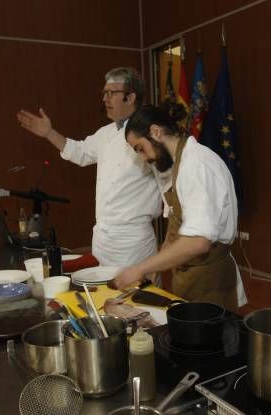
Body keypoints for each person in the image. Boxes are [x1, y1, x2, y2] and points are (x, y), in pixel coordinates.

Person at [16, 67, 162, 267]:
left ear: (130, 97)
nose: (105, 99)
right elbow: (79, 152)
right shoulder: (106, 132)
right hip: (102, 240)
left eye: (112, 93)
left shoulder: (151, 134)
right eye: (104, 93)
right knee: (103, 295)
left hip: (133, 243)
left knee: (134, 297)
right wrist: (49, 133)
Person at [112, 101, 247, 310]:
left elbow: (198, 241)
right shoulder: (179, 164)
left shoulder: (197, 165)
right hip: (189, 277)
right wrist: (153, 269)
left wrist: (138, 269)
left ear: (156, 132)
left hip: (210, 282)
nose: (143, 158)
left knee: (209, 340)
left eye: (140, 149)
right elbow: (176, 228)